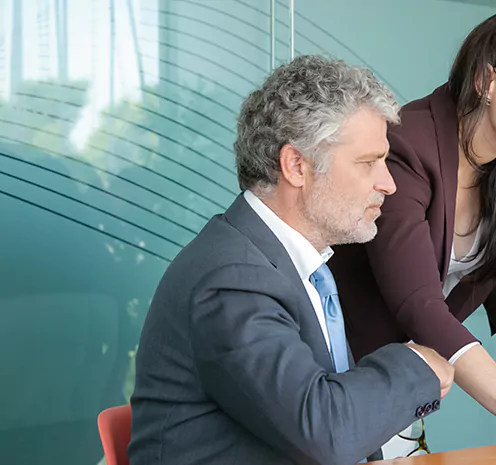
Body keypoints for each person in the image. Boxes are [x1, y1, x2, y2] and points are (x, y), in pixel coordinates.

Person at [127, 55, 454, 465]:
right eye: (368, 162)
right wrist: (415, 364)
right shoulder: (233, 278)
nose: (388, 183)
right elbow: (326, 432)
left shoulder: (292, 263)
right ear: (296, 166)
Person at [328, 4, 496, 453]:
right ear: (487, 80)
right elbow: (417, 302)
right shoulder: (405, 147)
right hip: (337, 385)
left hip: (398, 394)